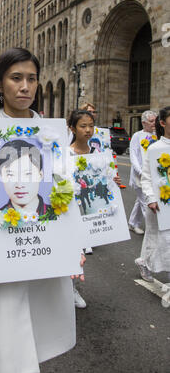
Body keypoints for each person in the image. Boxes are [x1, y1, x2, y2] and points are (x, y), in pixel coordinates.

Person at [0, 47, 85, 373]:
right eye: (16, 78)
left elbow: (64, 192)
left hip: (41, 254)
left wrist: (74, 243)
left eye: (31, 78)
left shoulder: (50, 133)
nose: (25, 86)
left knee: (35, 339)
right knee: (2, 356)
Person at [68, 109, 122, 308]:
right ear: (72, 128)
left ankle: (72, 287)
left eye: (91, 126)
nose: (88, 130)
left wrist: (113, 180)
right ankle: (64, 288)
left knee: (81, 249)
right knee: (69, 249)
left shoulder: (99, 154)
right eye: (83, 126)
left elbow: (107, 178)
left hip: (89, 211)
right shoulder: (65, 153)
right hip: (70, 209)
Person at [135, 106, 170, 283]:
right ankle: (145, 263)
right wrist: (150, 198)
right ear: (163, 123)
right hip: (158, 202)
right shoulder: (155, 148)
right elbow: (147, 177)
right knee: (155, 236)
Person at [0, 139, 54, 218]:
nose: (20, 185)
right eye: (10, 175)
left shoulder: (56, 216)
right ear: (1, 177)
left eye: (27, 174)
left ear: (40, 175)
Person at [128, 110, 158, 235]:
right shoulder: (137, 136)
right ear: (144, 123)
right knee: (146, 201)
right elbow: (133, 155)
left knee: (140, 200)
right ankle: (154, 231)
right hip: (139, 175)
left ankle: (132, 223)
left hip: (154, 173)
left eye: (155, 121)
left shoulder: (157, 135)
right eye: (151, 121)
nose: (154, 123)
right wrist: (140, 171)